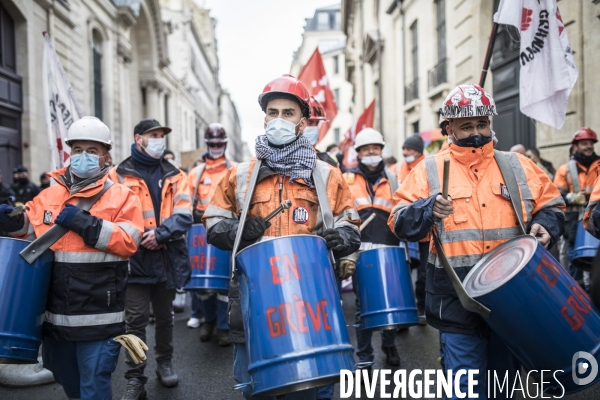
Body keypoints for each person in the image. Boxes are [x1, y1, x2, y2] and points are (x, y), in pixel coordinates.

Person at [388, 84, 565, 399]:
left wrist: (545, 225)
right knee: (465, 390)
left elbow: (551, 205)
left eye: (482, 123)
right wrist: (427, 209)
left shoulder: (516, 164)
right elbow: (398, 222)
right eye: (466, 125)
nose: (476, 131)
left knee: (504, 388)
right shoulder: (429, 169)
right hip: (457, 300)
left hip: (513, 298)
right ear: (449, 128)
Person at [203, 74, 360, 400]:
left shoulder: (326, 173)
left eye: (288, 113)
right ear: (264, 119)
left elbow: (349, 220)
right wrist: (237, 231)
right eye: (273, 112)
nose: (279, 120)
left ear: (302, 122)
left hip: (311, 299)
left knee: (312, 385)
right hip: (256, 296)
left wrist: (343, 237)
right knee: (256, 386)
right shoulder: (240, 175)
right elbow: (214, 222)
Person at [0, 116, 144, 400]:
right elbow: (28, 229)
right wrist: (10, 220)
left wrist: (84, 223)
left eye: (92, 151)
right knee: (67, 380)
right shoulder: (49, 194)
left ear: (105, 157)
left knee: (94, 386)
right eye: (78, 150)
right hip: (55, 316)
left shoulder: (123, 197)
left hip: (98, 316)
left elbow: (128, 242)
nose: (83, 156)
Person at [109, 118, 193, 400]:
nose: (159, 139)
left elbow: (184, 215)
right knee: (135, 320)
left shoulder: (176, 174)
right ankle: (135, 377)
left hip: (166, 257)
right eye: (153, 135)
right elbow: (110, 214)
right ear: (138, 139)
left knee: (166, 317)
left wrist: (161, 234)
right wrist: (140, 235)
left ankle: (164, 362)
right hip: (133, 260)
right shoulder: (118, 174)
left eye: (161, 135)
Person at [340, 128, 401, 368]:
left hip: (390, 250)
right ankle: (364, 357)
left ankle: (389, 345)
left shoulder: (394, 178)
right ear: (358, 153)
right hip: (360, 251)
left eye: (375, 148)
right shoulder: (347, 179)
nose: (371, 152)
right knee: (362, 306)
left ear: (382, 150)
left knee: (390, 303)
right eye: (366, 149)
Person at [186, 123, 234, 346]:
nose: (216, 147)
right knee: (203, 286)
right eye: (212, 143)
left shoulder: (234, 170)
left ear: (225, 143)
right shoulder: (196, 173)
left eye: (219, 143)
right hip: (201, 232)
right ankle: (209, 322)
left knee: (225, 283)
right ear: (207, 144)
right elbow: (185, 203)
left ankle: (224, 327)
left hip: (226, 232)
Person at [389, 134, 429, 322]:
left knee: (423, 273)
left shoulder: (429, 167)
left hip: (426, 231)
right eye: (404, 149)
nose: (405, 152)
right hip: (403, 227)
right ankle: (405, 310)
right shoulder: (396, 168)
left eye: (409, 149)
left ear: (419, 151)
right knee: (402, 271)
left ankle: (421, 307)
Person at [554, 127, 600, 283]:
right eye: (584, 143)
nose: (588, 146)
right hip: (573, 223)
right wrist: (571, 197)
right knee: (573, 262)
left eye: (590, 143)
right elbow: (555, 195)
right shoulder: (565, 169)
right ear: (576, 147)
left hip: (595, 219)